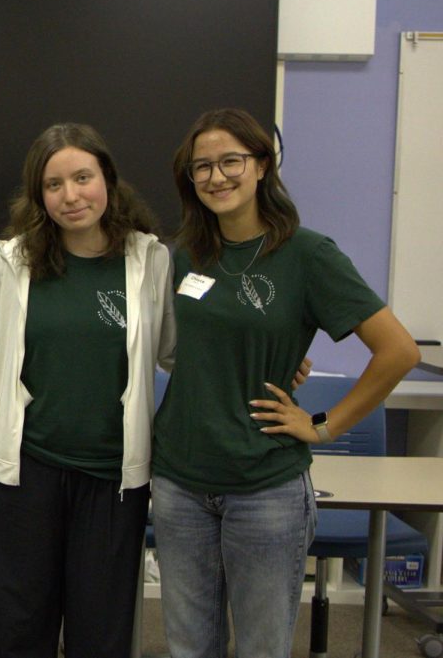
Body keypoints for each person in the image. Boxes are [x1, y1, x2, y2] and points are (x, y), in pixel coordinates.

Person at [151, 108, 420, 658]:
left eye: (230, 161)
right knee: (187, 646)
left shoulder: (308, 254)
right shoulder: (185, 256)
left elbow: (398, 351)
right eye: (202, 167)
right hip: (179, 481)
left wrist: (323, 424)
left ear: (262, 166)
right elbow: (187, 348)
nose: (216, 177)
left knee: (262, 647)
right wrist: (275, 356)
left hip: (264, 487)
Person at [0, 123, 174, 658]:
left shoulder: (149, 261)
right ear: (39, 195)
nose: (70, 196)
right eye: (54, 184)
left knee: (100, 633)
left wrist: (281, 357)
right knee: (22, 625)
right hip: (26, 475)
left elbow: (178, 351)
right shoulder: (16, 260)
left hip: (112, 480)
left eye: (82, 178)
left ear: (108, 181)